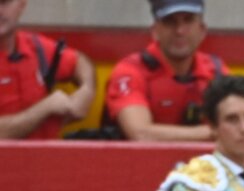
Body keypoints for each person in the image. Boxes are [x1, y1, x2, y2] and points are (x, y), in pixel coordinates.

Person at [102, 0, 223, 141]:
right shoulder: (130, 71)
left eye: (188, 20)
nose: (180, 31)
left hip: (204, 162)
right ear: (155, 31)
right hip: (134, 162)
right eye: (170, 22)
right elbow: (140, 134)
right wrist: (215, 133)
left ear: (202, 30)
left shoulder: (216, 70)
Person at [0, 0, 96, 139]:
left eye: (5, 2)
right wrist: (45, 108)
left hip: (48, 159)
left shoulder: (37, 47)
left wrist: (87, 89)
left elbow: (80, 61)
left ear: (22, 5)